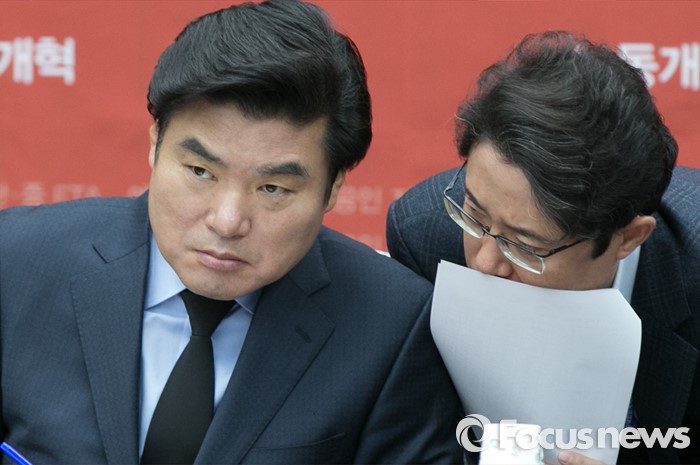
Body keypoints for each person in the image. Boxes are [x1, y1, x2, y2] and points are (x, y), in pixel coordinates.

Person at [0, 1, 463, 463]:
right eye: (200, 172)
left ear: (333, 187)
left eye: (273, 188)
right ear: (155, 143)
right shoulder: (16, 263)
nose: (227, 221)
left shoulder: (391, 328)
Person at [387, 31, 700, 465]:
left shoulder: (692, 270)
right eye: (474, 216)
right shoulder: (424, 234)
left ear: (628, 238)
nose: (485, 263)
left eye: (525, 246)